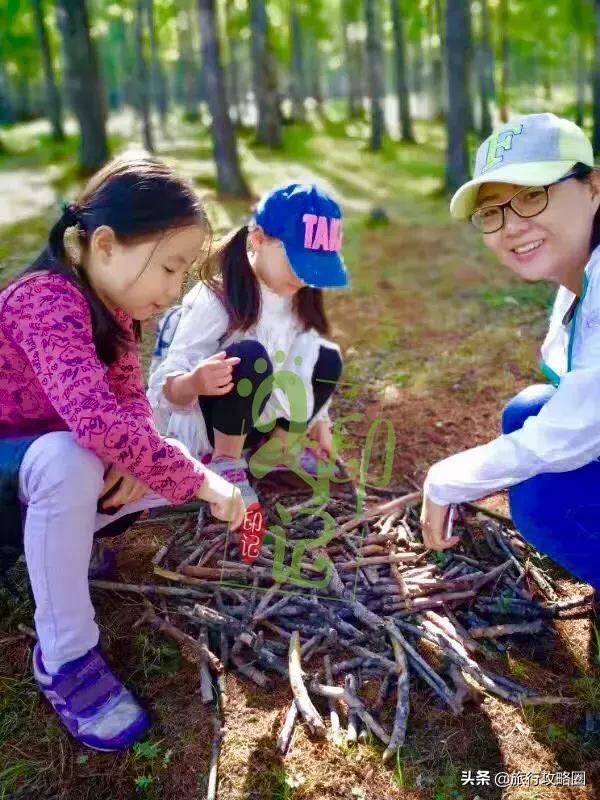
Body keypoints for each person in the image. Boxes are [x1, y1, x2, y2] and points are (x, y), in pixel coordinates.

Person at [0, 152, 245, 751]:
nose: (174, 289)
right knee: (73, 458)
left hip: (42, 468)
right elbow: (92, 420)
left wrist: (141, 457)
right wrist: (198, 480)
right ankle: (65, 655)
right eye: (168, 267)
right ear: (105, 244)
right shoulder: (45, 299)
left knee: (130, 460)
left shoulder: (117, 317)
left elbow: (130, 406)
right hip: (18, 468)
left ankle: (65, 553)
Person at [421, 112, 600, 592]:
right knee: (528, 411)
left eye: (531, 196)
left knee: (544, 498)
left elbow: (581, 429)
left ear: (594, 186)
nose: (511, 226)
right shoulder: (580, 280)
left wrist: (447, 478)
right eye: (493, 211)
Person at [147, 182, 348, 509]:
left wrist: (321, 421)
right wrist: (195, 381)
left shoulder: (298, 294)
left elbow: (305, 355)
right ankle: (225, 464)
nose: (304, 278)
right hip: (212, 424)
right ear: (258, 240)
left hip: (258, 419)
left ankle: (275, 454)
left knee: (326, 356)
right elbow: (164, 387)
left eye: (315, 268)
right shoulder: (219, 297)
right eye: (298, 262)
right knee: (250, 357)